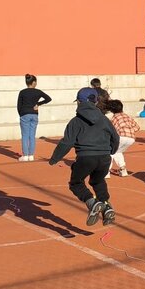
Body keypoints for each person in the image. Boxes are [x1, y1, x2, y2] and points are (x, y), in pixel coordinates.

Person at [48, 88, 119, 226]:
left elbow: (66, 142)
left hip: (86, 157)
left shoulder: (75, 121)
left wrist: (54, 158)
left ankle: (92, 202)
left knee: (76, 183)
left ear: (79, 102)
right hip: (104, 158)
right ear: (96, 102)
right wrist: (111, 151)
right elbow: (115, 137)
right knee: (98, 181)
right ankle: (106, 206)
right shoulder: (104, 119)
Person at [17, 74, 52, 162]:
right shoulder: (38, 92)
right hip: (34, 114)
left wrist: (21, 114)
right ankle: (31, 155)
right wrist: (38, 104)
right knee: (32, 135)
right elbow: (48, 99)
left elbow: (19, 105)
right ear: (34, 82)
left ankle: (25, 155)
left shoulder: (22, 92)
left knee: (25, 135)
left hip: (24, 114)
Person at [107, 99, 140, 177]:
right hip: (131, 138)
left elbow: (113, 130)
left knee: (110, 152)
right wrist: (130, 131)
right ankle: (123, 169)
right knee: (118, 151)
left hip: (121, 136)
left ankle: (106, 172)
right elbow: (137, 127)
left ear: (111, 110)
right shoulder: (127, 116)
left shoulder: (115, 118)